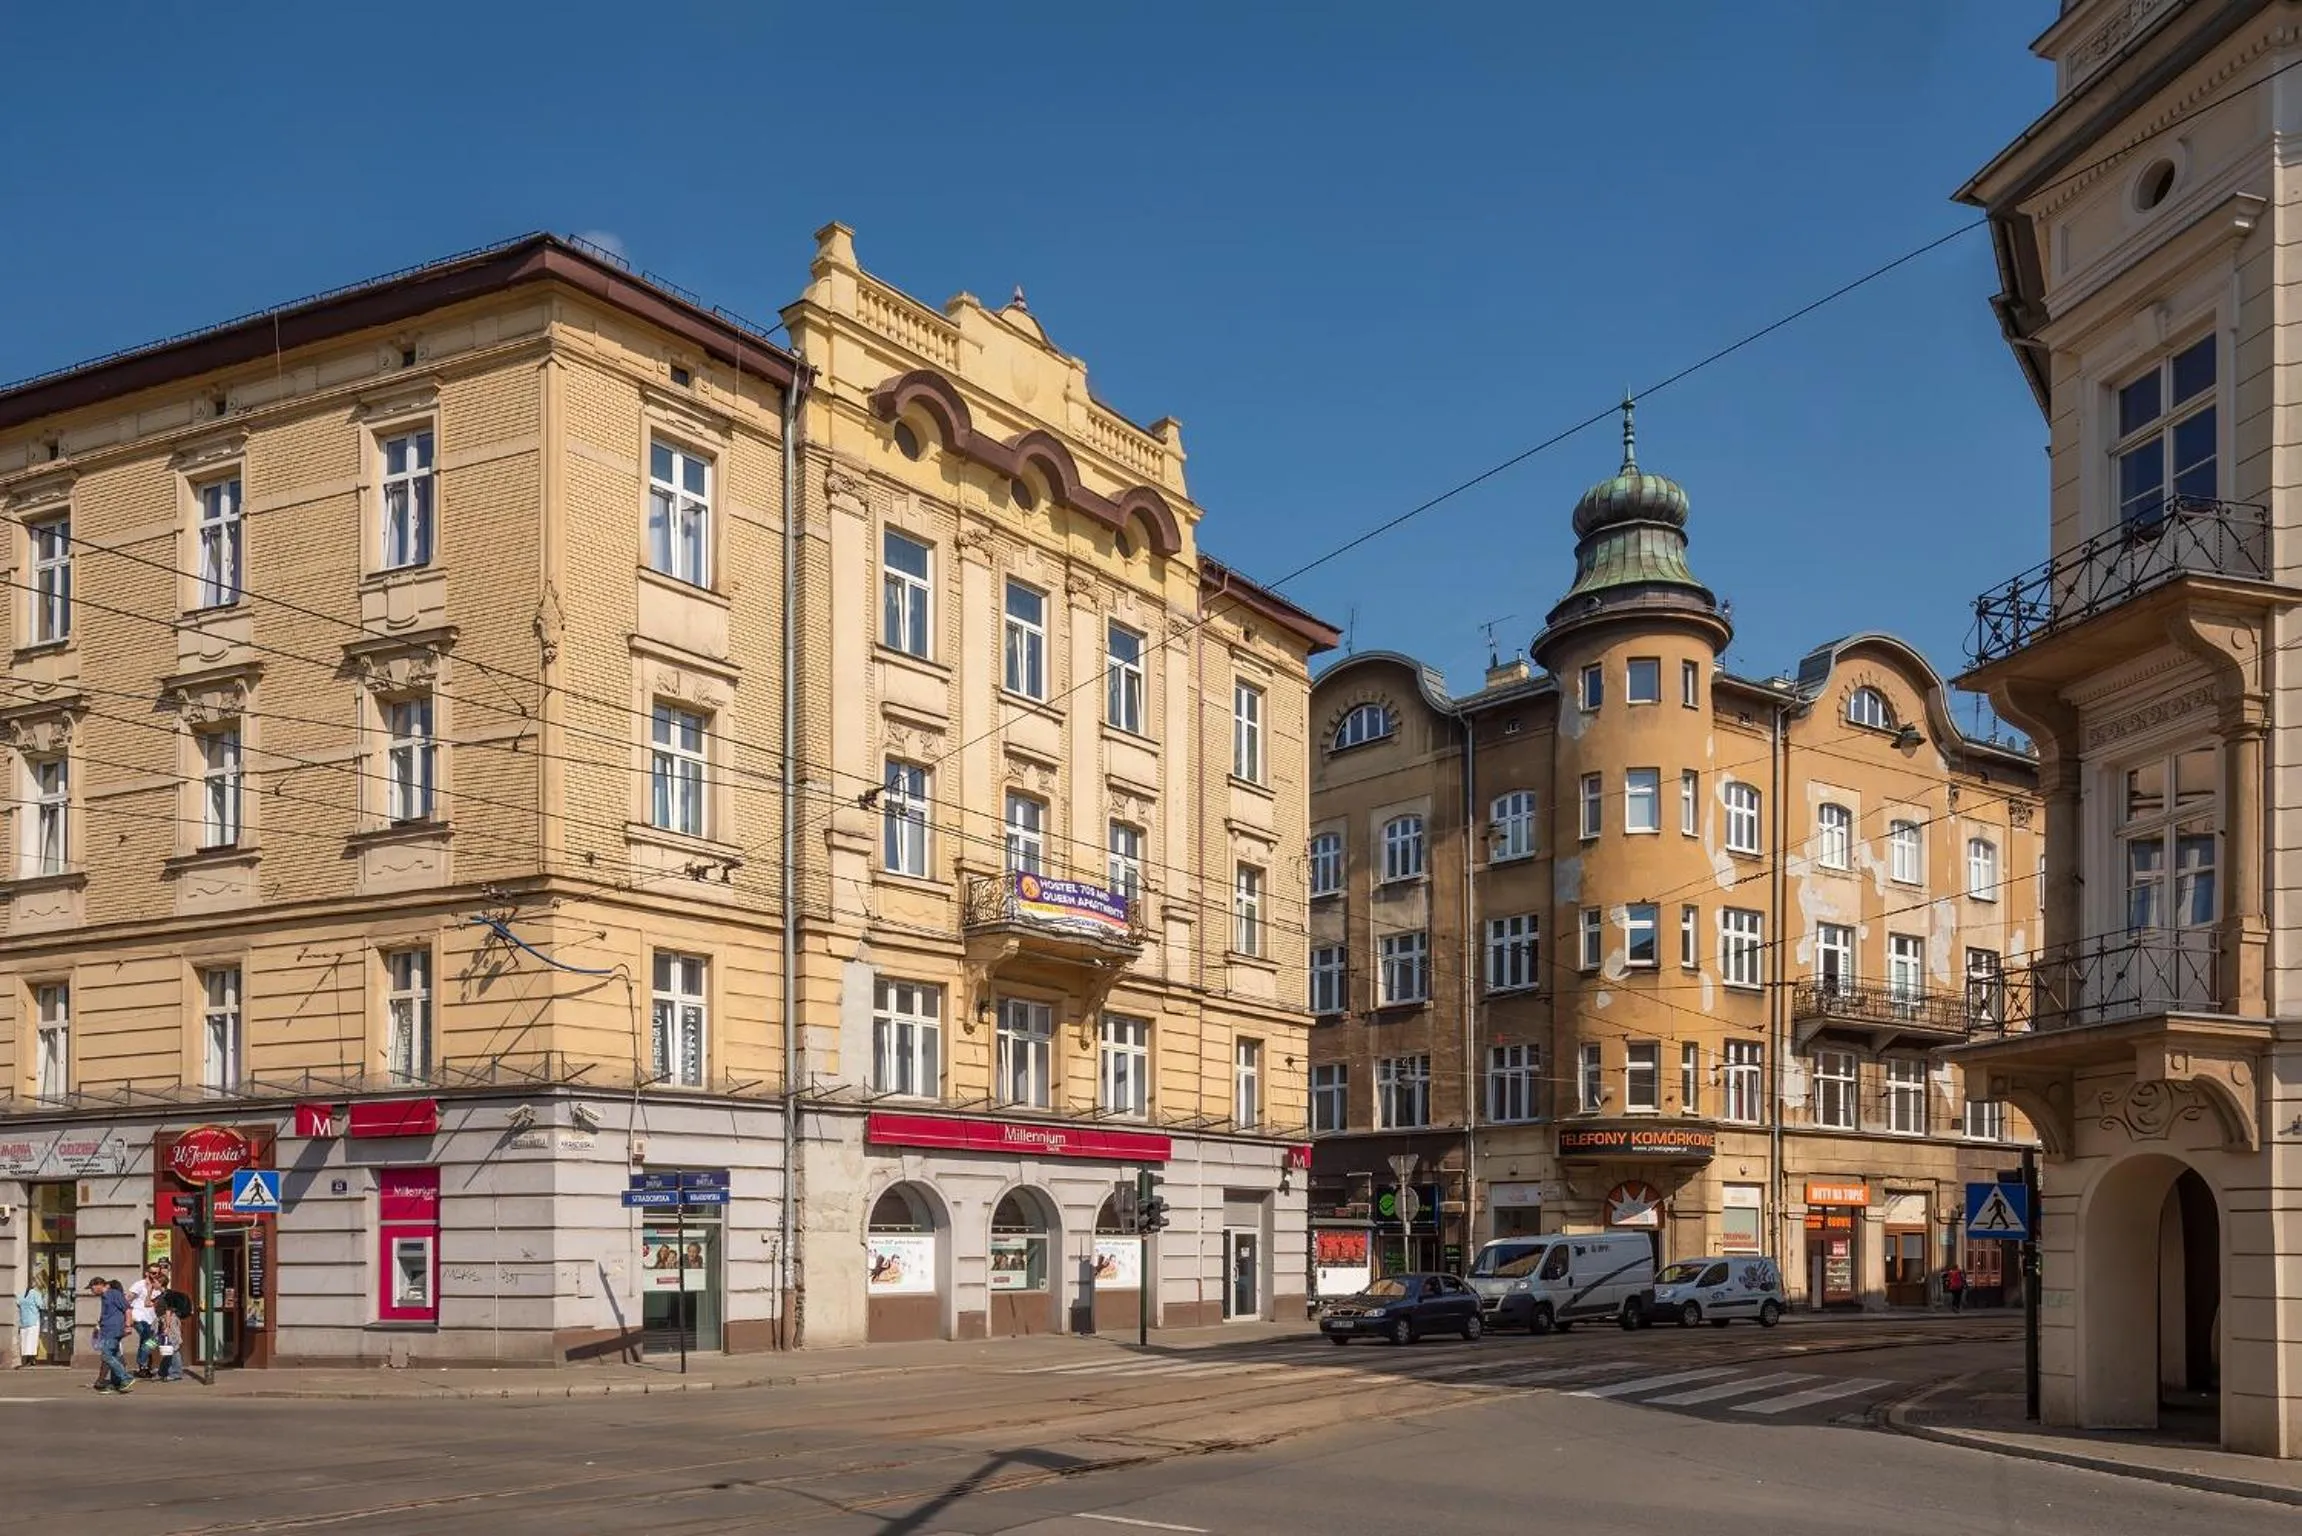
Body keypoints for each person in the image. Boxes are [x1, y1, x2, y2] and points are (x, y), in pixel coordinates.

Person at [89, 1278, 131, 1394]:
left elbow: (127, 1309)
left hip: (113, 1330)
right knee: (115, 1356)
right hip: (107, 1329)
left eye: (92, 1288)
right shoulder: (104, 1296)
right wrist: (100, 1324)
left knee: (107, 1356)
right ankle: (117, 1384)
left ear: (98, 1285)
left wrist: (128, 1325)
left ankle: (125, 1378)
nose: (91, 1291)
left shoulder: (113, 1293)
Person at [128, 1266, 159, 1378]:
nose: (155, 1275)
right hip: (139, 1317)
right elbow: (128, 1299)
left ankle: (143, 1367)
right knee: (149, 1340)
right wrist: (128, 1316)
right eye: (153, 1273)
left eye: (157, 1273)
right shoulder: (139, 1284)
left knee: (147, 1341)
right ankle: (143, 1365)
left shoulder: (157, 1286)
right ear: (147, 1273)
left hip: (151, 1319)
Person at [16, 1281, 41, 1368]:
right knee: (32, 1340)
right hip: (33, 1320)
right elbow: (40, 1305)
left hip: (23, 1321)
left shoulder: (21, 1294)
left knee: (25, 1341)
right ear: (35, 1286)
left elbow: (18, 1303)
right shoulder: (36, 1294)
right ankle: (32, 1359)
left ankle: (26, 1359)